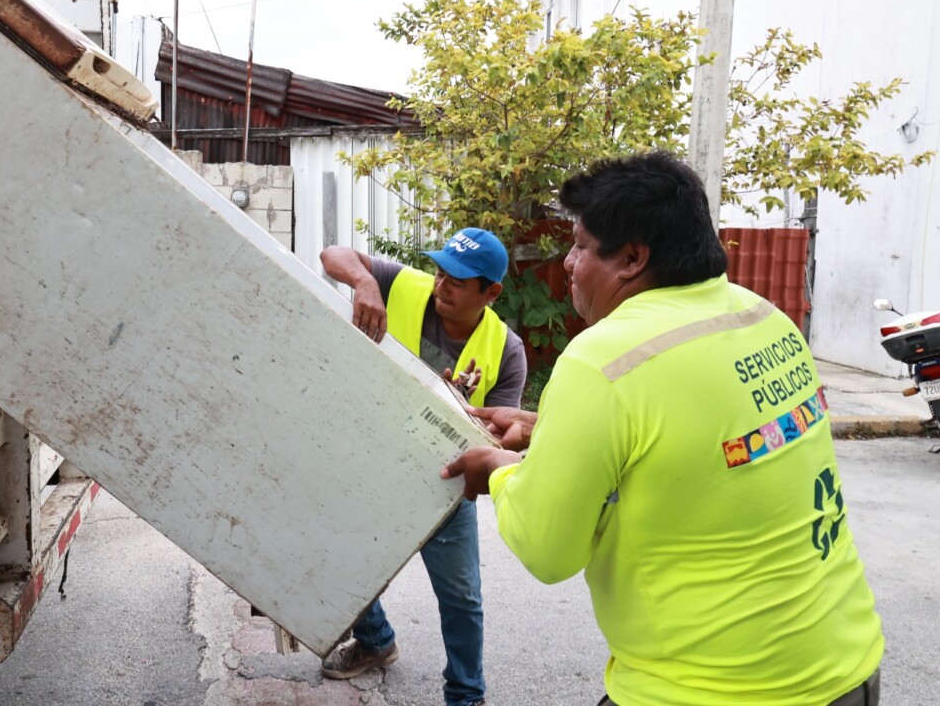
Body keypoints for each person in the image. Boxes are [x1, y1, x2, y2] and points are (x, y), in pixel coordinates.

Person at [441, 152, 884, 706]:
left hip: (709, 689)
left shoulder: (604, 360)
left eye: (579, 245)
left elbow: (546, 550)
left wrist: (499, 471)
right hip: (847, 667)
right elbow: (681, 444)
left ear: (632, 257)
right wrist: (551, 431)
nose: (569, 263)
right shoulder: (764, 316)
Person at [319, 227, 526, 706]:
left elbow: (497, 439)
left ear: (490, 292)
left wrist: (455, 407)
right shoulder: (407, 286)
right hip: (374, 456)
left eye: (458, 280)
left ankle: (466, 694)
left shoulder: (505, 349)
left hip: (443, 480)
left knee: (461, 598)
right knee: (347, 558)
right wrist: (365, 283)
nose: (441, 286)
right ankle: (375, 642)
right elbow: (333, 254)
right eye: (440, 272)